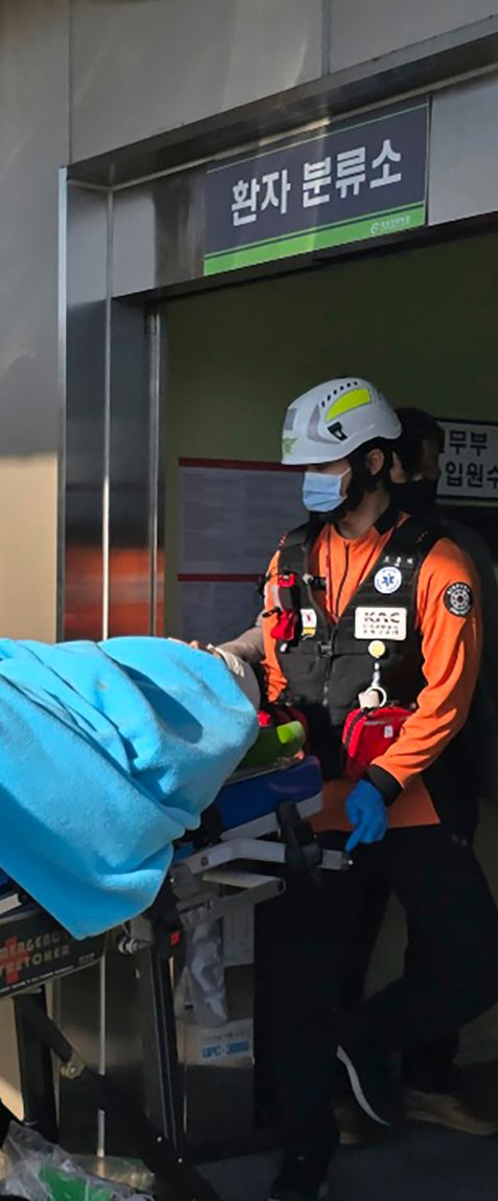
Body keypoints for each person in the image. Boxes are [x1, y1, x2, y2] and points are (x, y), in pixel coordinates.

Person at [247, 380, 498, 1201]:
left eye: (328, 463)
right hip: (313, 808)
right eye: (307, 467)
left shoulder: (440, 560)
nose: (314, 480)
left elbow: (448, 696)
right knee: (297, 988)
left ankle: (364, 1037)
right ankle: (303, 1153)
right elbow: (280, 670)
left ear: (377, 461)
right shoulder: (291, 559)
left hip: (408, 802)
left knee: (472, 962)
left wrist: (385, 780)